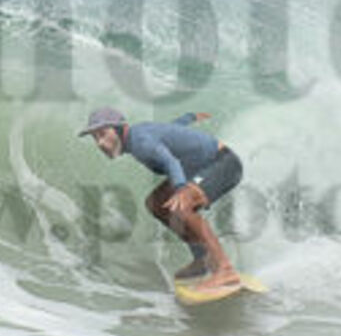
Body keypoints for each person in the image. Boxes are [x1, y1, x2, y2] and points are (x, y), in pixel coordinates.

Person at [79, 106, 244, 287]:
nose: (100, 143)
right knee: (157, 203)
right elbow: (171, 129)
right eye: (95, 138)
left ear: (120, 129)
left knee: (182, 205)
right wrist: (189, 117)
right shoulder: (138, 135)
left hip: (222, 164)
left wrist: (181, 189)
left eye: (103, 134)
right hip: (201, 168)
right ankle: (202, 258)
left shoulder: (140, 142)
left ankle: (225, 270)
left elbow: (171, 161)